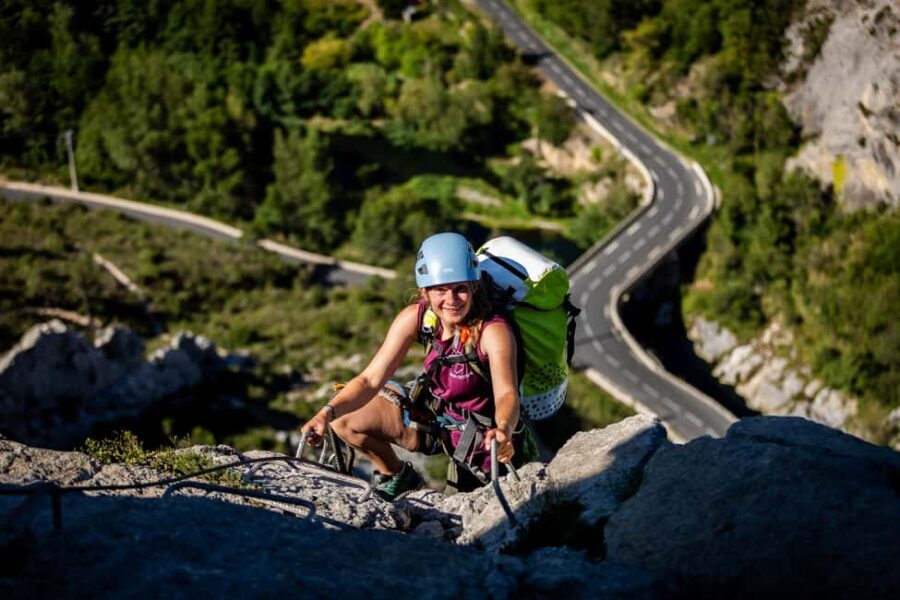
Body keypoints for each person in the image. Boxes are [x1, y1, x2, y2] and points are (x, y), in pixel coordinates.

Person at [300, 231, 527, 500]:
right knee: (343, 420)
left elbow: (506, 393)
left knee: (466, 516)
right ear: (425, 291)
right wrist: (326, 413)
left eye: (460, 288)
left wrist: (503, 429)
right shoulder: (419, 318)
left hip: (483, 436)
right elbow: (369, 380)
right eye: (441, 289)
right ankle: (397, 477)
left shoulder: (493, 331)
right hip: (433, 416)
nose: (451, 299)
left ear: (474, 286)